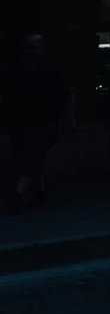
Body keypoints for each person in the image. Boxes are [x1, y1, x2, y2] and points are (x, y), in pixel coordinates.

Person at [2, 35, 74, 211]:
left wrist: (69, 120)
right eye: (26, 48)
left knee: (30, 157)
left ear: (41, 49)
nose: (27, 52)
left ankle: (18, 194)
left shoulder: (50, 71)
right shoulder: (18, 70)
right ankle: (38, 192)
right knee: (29, 158)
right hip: (21, 122)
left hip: (46, 122)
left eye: (32, 48)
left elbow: (67, 95)